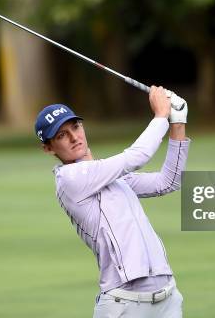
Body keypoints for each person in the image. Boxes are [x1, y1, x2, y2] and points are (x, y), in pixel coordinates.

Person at [35, 86, 190, 318]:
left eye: (75, 127)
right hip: (124, 304)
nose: (74, 137)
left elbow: (169, 181)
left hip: (167, 300)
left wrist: (177, 122)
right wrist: (161, 116)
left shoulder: (111, 176)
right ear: (48, 148)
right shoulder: (69, 179)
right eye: (61, 135)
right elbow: (136, 157)